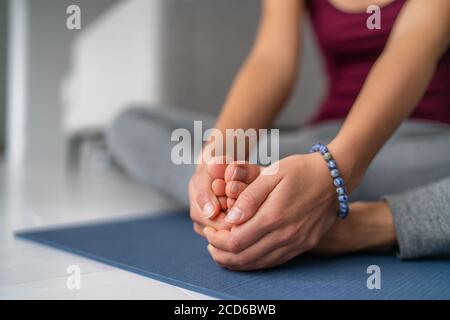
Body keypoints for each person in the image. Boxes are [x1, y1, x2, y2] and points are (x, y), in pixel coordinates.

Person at [107, 0, 450, 270]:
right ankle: (259, 206)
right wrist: (218, 160)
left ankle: (344, 222)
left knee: (291, 171)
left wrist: (336, 170)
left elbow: (409, 50)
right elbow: (272, 61)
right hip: (320, 139)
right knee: (131, 122)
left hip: (422, 143)